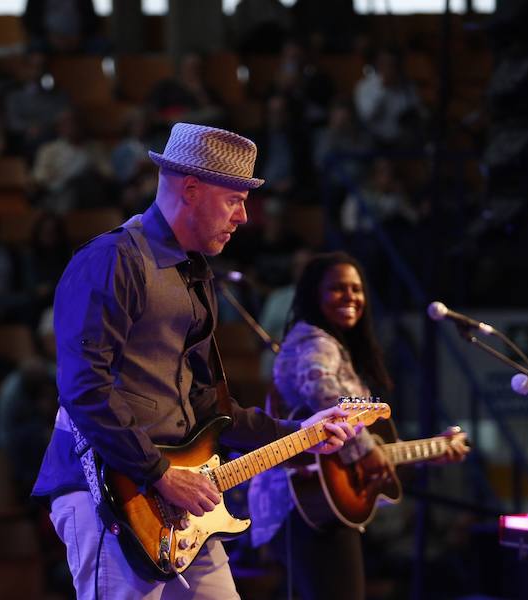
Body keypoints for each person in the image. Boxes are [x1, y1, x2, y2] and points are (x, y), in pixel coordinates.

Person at [31, 123, 364, 599]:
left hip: (178, 500)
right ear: (191, 189)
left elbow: (212, 412)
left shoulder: (195, 272)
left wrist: (302, 433)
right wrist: (159, 475)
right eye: (235, 199)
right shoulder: (113, 259)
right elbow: (85, 389)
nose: (244, 217)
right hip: (111, 497)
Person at [247, 251, 469, 600]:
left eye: (356, 289)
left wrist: (432, 450)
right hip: (303, 503)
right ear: (313, 295)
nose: (350, 296)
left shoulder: (328, 345)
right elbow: (322, 390)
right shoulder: (312, 342)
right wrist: (366, 449)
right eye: (337, 288)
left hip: (317, 508)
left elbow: (366, 445)